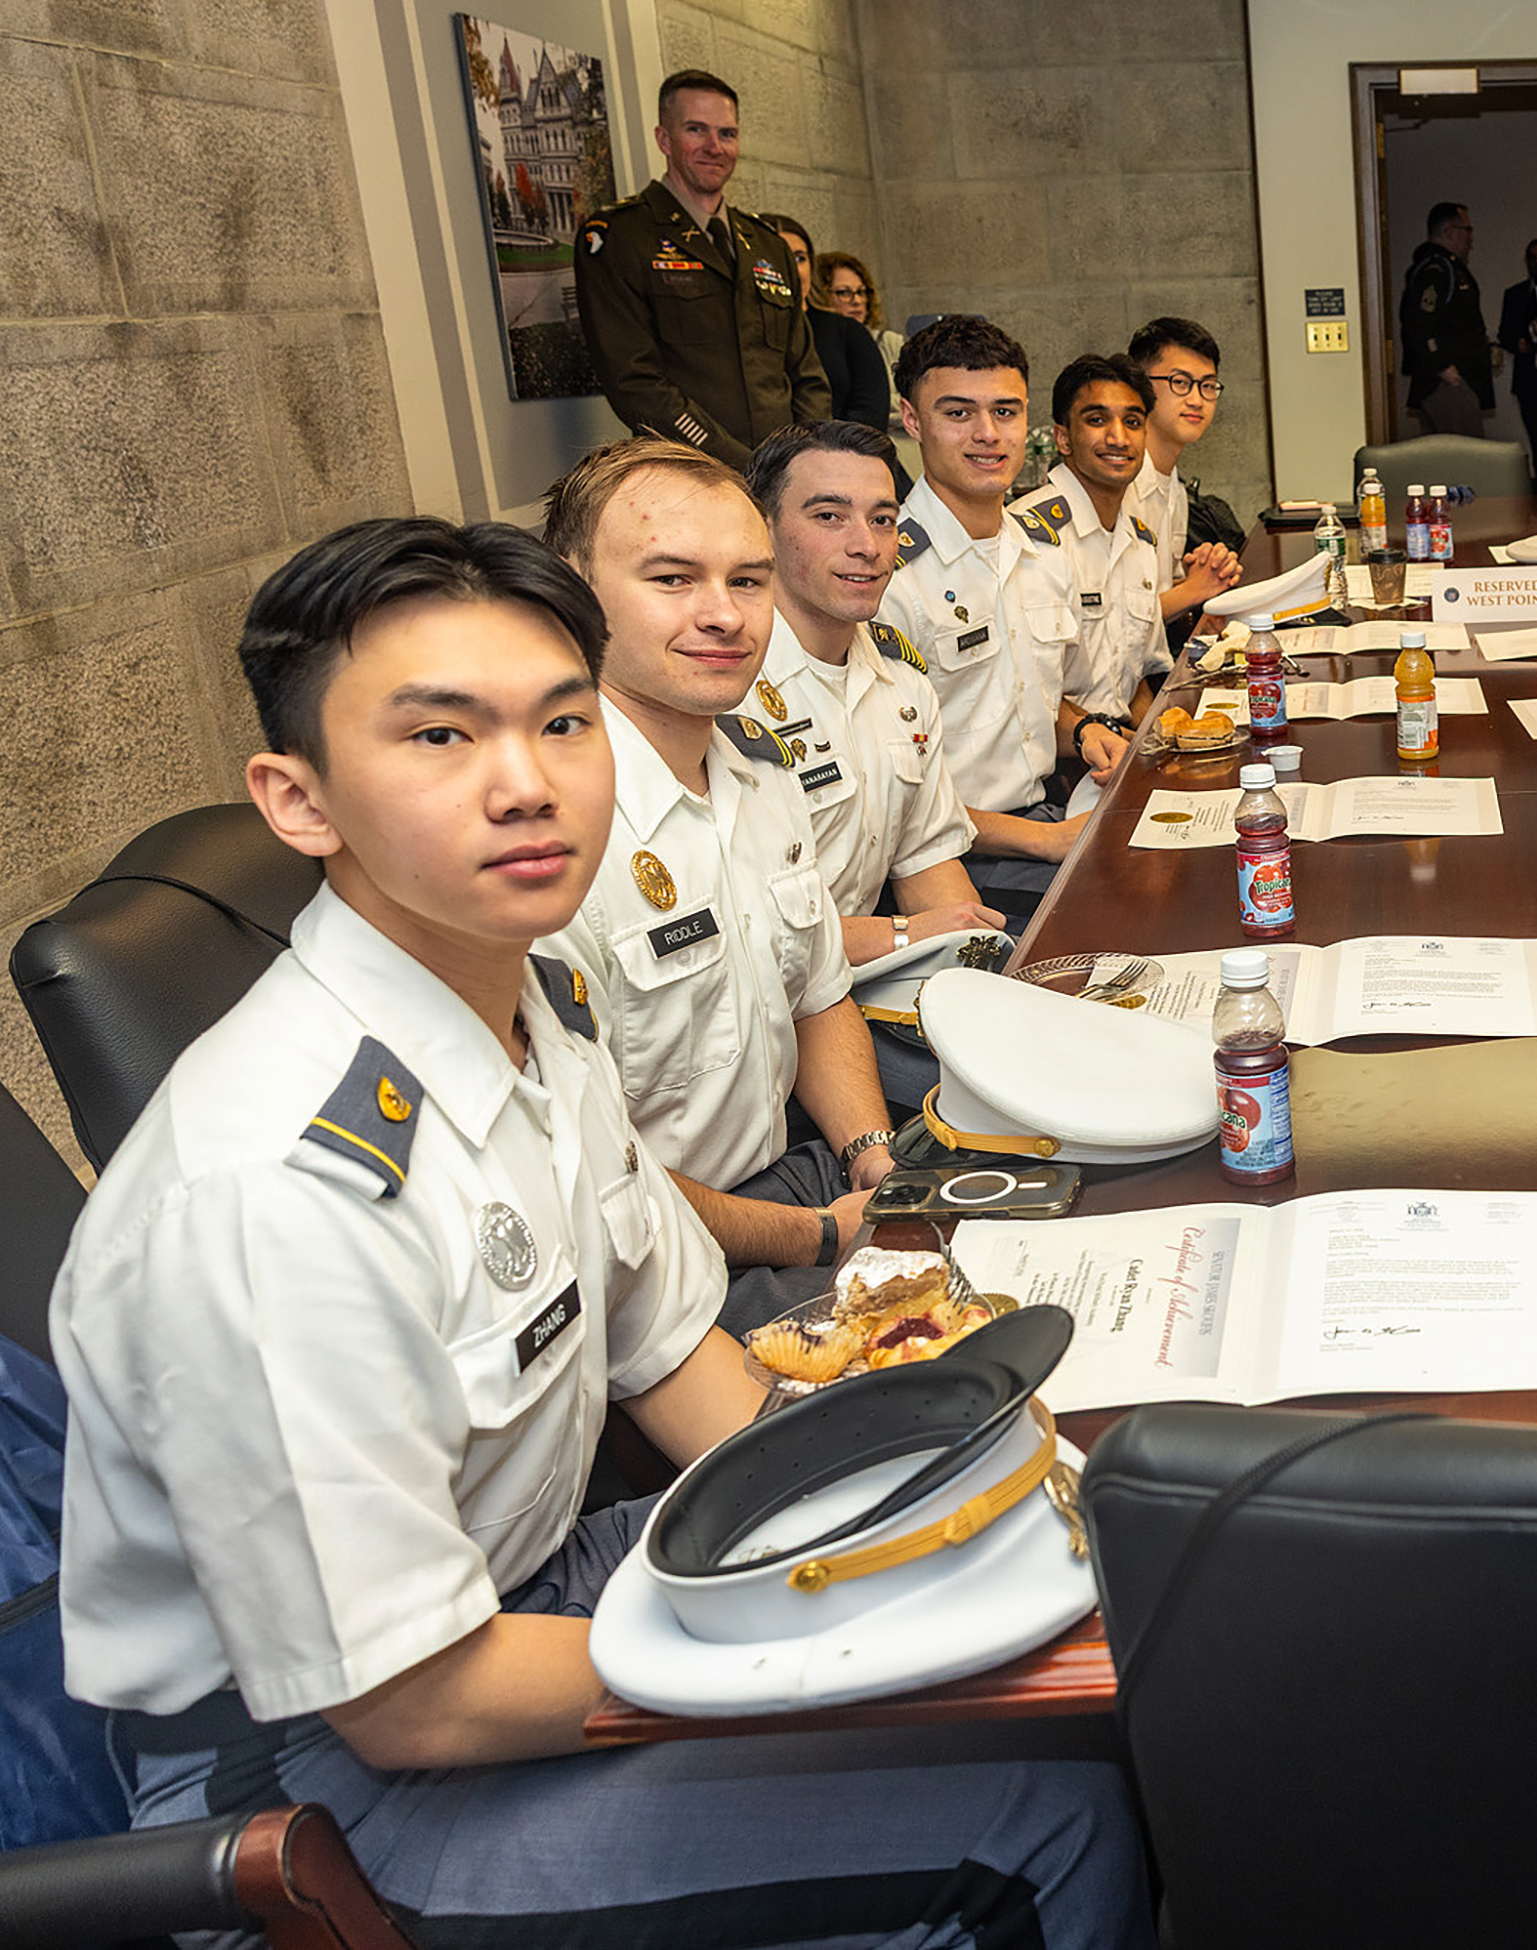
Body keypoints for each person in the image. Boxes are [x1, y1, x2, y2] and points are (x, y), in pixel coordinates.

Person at [49, 515, 1151, 1946]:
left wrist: (874, 1508)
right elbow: (410, 1696)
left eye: (562, 722)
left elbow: (681, 1354)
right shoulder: (271, 1190)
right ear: (298, 799)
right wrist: (833, 1651)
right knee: (1042, 1822)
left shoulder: (520, 1010)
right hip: (329, 1776)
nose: (527, 785)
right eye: (441, 739)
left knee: (1071, 1591)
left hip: (532, 1582)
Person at [535, 438, 902, 1334]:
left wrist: (874, 1158)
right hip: (662, 1270)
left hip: (800, 1181)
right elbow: (595, 1178)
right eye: (671, 580)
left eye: (747, 581)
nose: (725, 616)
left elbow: (817, 998)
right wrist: (814, 1236)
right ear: (572, 593)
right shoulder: (549, 839)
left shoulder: (757, 771)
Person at [740, 420, 1012, 1101]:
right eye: (829, 516)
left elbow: (927, 859)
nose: (866, 546)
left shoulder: (901, 680)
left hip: (881, 975)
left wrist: (972, 968)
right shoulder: (729, 696)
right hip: (774, 1019)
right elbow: (755, 940)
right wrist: (910, 931)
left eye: (883, 519)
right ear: (764, 532)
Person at [878, 316, 1104, 923]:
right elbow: (894, 799)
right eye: (958, 414)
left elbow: (1020, 699)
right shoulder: (888, 577)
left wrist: (1083, 732)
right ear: (912, 419)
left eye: (1005, 412)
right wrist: (1049, 840)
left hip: (1044, 816)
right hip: (952, 861)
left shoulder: (1040, 553)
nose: (988, 435)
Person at [573, 69, 828, 471]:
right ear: (664, 139)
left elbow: (805, 371)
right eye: (696, 130)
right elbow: (635, 383)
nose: (715, 147)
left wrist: (803, 456)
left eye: (727, 134)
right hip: (691, 473)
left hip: (786, 475)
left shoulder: (767, 244)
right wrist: (735, 461)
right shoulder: (622, 238)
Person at [1034, 355, 1167, 789]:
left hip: (1121, 752)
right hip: (1057, 769)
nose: (1118, 437)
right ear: (1063, 438)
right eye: (1096, 420)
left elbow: (1139, 682)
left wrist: (1165, 742)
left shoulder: (1139, 541)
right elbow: (1026, 696)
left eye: (1132, 422)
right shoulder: (1030, 541)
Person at [1125, 315, 1244, 655]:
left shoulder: (1174, 487)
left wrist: (1202, 578)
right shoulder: (1119, 485)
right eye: (1180, 382)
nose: (1197, 399)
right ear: (1140, 386)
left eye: (1208, 385)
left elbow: (1157, 594)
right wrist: (1195, 590)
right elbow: (1113, 619)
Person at [765, 213, 891, 439]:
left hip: (844, 459)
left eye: (799, 258)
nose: (789, 268)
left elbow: (870, 413)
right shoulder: (743, 334)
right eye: (774, 256)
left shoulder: (846, 330)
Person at [1399, 202, 1491, 438]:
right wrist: (1440, 365)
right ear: (1450, 232)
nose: (1471, 240)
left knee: (1448, 464)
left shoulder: (1448, 268)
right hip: (1447, 384)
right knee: (1467, 458)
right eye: (1467, 230)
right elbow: (1419, 322)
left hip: (1454, 379)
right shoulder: (1437, 270)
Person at [1498, 239, 1537, 494]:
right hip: (1528, 379)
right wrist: (1519, 343)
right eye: (1532, 257)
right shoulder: (1515, 294)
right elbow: (1505, 333)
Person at [817, 250, 905, 400]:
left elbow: (914, 402)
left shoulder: (889, 342)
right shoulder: (817, 349)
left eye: (861, 292)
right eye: (844, 292)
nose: (857, 300)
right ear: (821, 295)